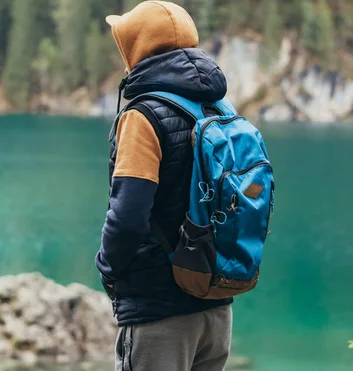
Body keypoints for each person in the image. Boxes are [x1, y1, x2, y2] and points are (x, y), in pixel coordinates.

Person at [95, 2, 234, 371]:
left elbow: (127, 217)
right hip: (216, 308)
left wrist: (109, 271)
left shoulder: (143, 116)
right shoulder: (220, 107)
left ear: (135, 49)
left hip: (159, 315)